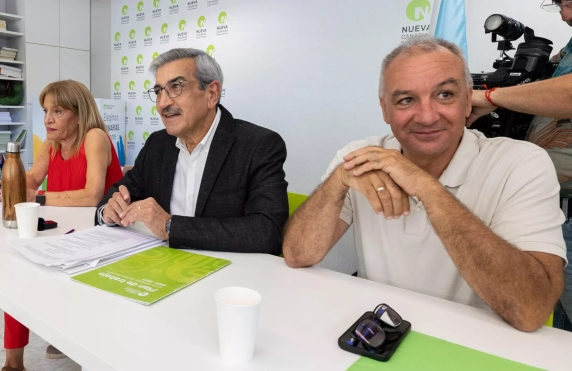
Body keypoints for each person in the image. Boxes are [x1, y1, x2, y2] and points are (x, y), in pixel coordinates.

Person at [283, 36, 567, 332]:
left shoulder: (520, 163)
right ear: (384, 109)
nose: (427, 116)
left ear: (469, 99)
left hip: (476, 344)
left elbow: (531, 310)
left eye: (445, 95)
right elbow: (298, 254)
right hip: (383, 334)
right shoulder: (360, 157)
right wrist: (337, 181)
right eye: (406, 100)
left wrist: (426, 187)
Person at [0, 80, 123, 371]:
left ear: (79, 112)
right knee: (16, 272)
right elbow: (32, 180)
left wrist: (39, 197)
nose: (47, 119)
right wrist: (8, 186)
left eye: (57, 111)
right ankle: (12, 364)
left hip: (103, 236)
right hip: (64, 230)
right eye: (46, 110)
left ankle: (68, 331)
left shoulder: (94, 137)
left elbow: (93, 195)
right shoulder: (51, 143)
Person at [96, 48, 288, 254]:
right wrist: (108, 210)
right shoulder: (157, 144)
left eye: (176, 87)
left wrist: (170, 226)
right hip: (162, 268)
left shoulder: (258, 145)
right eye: (159, 91)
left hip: (228, 275)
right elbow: (119, 193)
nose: (163, 103)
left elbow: (266, 231)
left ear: (212, 94)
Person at [468, 0, 572, 331]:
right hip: (559, 205)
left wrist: (488, 98)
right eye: (560, 7)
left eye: (569, 4)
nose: (565, 15)